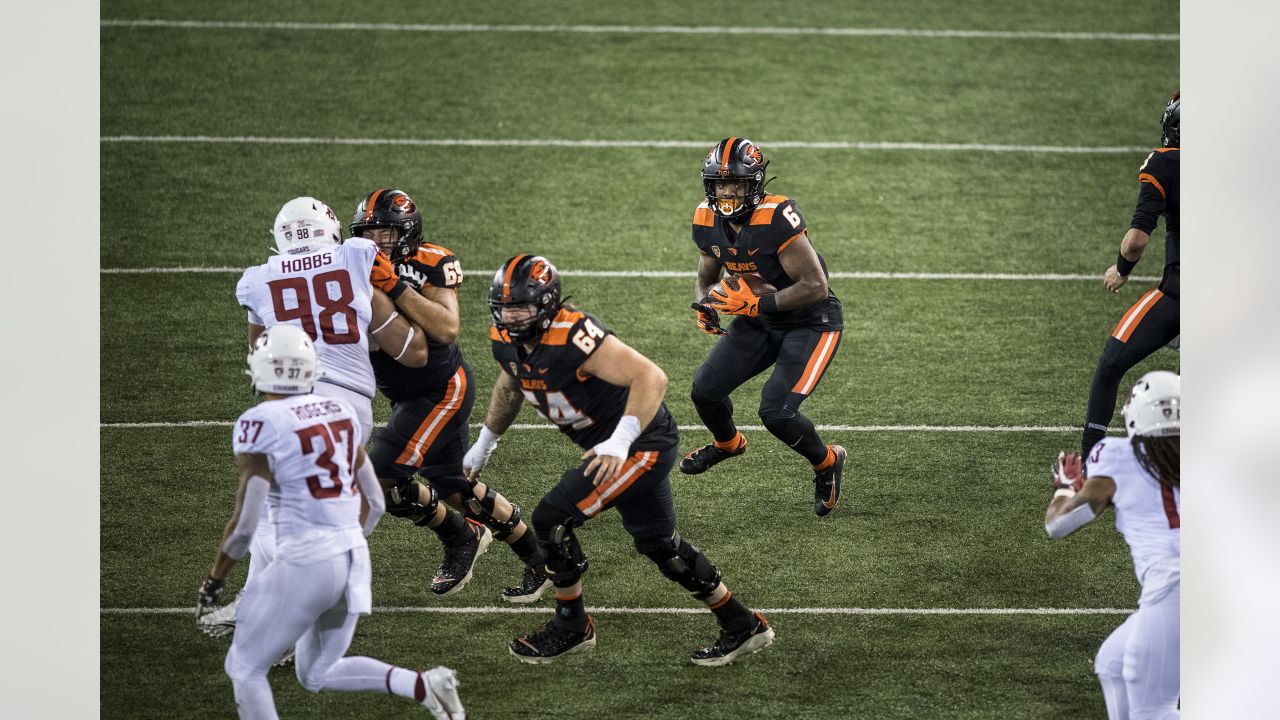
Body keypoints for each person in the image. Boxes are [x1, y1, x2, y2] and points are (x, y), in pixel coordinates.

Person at [464, 254, 774, 665]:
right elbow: (510, 386)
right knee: (661, 545)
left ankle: (571, 627)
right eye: (505, 309)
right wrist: (485, 442)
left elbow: (651, 377)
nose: (512, 317)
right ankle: (742, 623)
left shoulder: (572, 334)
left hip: (639, 445)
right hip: (624, 446)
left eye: (521, 306)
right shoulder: (506, 339)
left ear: (548, 303)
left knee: (550, 520)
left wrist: (619, 440)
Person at [195, 324, 465, 719]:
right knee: (316, 672)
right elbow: (373, 500)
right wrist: (344, 539)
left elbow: (246, 523)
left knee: (244, 667)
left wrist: (215, 580)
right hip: (352, 558)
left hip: (306, 562)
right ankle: (427, 686)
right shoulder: (337, 411)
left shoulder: (259, 422)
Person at [198, 196, 427, 641]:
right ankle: (275, 601)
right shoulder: (358, 256)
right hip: (349, 406)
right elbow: (403, 346)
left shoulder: (257, 280)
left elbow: (256, 354)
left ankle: (282, 610)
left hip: (288, 399)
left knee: (273, 508)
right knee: (305, 509)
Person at [350, 189, 550, 601]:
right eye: (369, 234)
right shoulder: (350, 264)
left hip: (441, 390)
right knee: (455, 486)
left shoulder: (431, 261)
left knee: (379, 479)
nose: (376, 243)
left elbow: (446, 328)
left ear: (406, 232)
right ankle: (538, 559)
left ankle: (459, 536)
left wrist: (395, 286)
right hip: (404, 393)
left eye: (386, 234)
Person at [685, 137, 847, 516]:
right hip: (761, 317)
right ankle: (727, 443)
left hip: (812, 321)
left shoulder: (775, 217)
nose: (727, 193)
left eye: (737, 185)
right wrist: (708, 304)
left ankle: (827, 462)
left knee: (776, 412)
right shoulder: (706, 220)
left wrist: (757, 303)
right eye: (720, 185)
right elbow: (707, 277)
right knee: (705, 390)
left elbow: (816, 287)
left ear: (755, 185)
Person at [1045, 371, 1180, 720]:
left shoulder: (1117, 459)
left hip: (1175, 589)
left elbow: (1058, 525)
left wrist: (1065, 486)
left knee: (1153, 711)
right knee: (1112, 662)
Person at [1082, 92, 1181, 458]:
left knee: (1110, 365)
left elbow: (1136, 241)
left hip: (1180, 295)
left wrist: (1121, 270)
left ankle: (1091, 464)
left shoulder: (1165, 162)